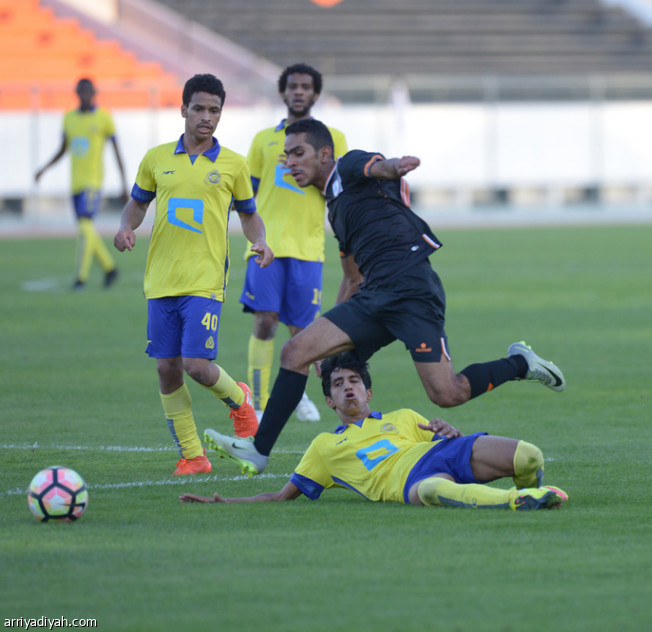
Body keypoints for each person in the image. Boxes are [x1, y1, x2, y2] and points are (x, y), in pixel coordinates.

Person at [205, 118, 565, 476]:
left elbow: (377, 167)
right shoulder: (335, 205)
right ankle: (260, 451)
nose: (290, 162)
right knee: (297, 351)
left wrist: (394, 167)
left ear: (325, 154)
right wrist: (324, 340)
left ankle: (521, 363)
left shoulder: (346, 167)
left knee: (447, 394)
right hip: (375, 296)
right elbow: (352, 277)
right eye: (287, 155)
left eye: (299, 153)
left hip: (412, 291)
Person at [113, 74, 275, 476]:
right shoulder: (156, 159)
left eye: (214, 110)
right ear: (183, 108)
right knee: (166, 368)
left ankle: (240, 400)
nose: (207, 117)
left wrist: (260, 241)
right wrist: (125, 228)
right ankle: (192, 455)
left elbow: (250, 216)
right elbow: (137, 204)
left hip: (205, 280)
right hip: (160, 280)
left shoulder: (233, 164)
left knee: (196, 366)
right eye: (199, 108)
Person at [190, 353, 568, 510]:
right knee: (434, 490)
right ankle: (512, 502)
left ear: (369, 392)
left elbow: (446, 442)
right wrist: (227, 503)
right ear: (330, 402)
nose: (348, 388)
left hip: (439, 455)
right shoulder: (325, 446)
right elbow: (280, 495)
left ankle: (530, 493)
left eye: (355, 381)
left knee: (529, 455)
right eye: (338, 384)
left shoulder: (404, 416)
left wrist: (449, 430)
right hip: (409, 484)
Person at [241, 63, 348, 424]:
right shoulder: (262, 140)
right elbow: (248, 195)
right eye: (293, 86)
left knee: (303, 332)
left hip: (308, 248)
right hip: (265, 246)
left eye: (306, 87)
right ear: (283, 93)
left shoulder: (332, 138)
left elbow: (338, 189)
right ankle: (257, 402)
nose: (299, 92)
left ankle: (298, 393)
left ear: (315, 94)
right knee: (265, 323)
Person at [35, 77, 126, 291]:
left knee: (85, 226)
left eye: (88, 92)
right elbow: (63, 149)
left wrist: (124, 184)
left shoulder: (104, 118)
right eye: (81, 92)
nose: (85, 95)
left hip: (93, 182)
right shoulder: (69, 118)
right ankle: (110, 268)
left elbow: (117, 151)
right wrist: (44, 168)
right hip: (75, 183)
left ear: (94, 93)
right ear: (77, 93)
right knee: (86, 229)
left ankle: (81, 279)